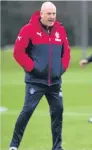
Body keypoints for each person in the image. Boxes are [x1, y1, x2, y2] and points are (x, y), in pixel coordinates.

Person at [9, 2, 70, 150]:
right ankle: (14, 145)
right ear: (41, 14)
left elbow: (66, 52)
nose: (51, 17)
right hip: (35, 81)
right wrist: (33, 68)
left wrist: (61, 68)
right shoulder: (28, 29)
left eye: (54, 14)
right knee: (27, 111)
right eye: (48, 14)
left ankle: (57, 147)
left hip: (55, 83)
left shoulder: (60, 30)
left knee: (58, 112)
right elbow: (18, 52)